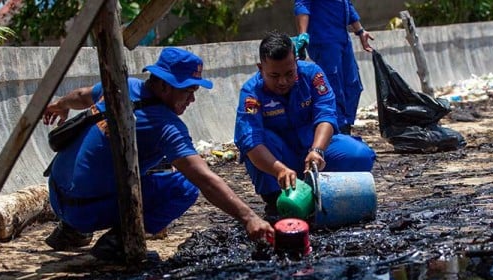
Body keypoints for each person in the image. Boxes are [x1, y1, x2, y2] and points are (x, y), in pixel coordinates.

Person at [43, 47, 274, 261]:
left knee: (155, 160)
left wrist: (60, 104)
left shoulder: (123, 86)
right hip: (83, 210)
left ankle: (71, 232)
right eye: (188, 91)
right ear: (164, 86)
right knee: (185, 185)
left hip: (56, 195)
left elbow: (83, 94)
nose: (192, 100)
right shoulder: (166, 126)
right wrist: (249, 217)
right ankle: (119, 242)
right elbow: (204, 179)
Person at [234, 31, 376, 217]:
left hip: (314, 151)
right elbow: (250, 142)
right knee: (259, 141)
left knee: (360, 155)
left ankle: (325, 192)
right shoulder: (251, 93)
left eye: (289, 73)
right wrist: (279, 170)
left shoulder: (312, 75)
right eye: (274, 76)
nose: (283, 82)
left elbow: (326, 114)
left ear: (296, 63)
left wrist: (317, 150)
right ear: (261, 68)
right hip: (280, 159)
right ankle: (277, 201)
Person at [293, 0, 374, 135]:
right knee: (333, 88)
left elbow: (347, 5)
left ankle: (345, 127)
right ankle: (336, 131)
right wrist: (303, 34)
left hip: (343, 39)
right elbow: (302, 5)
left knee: (353, 85)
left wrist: (360, 31)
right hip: (324, 40)